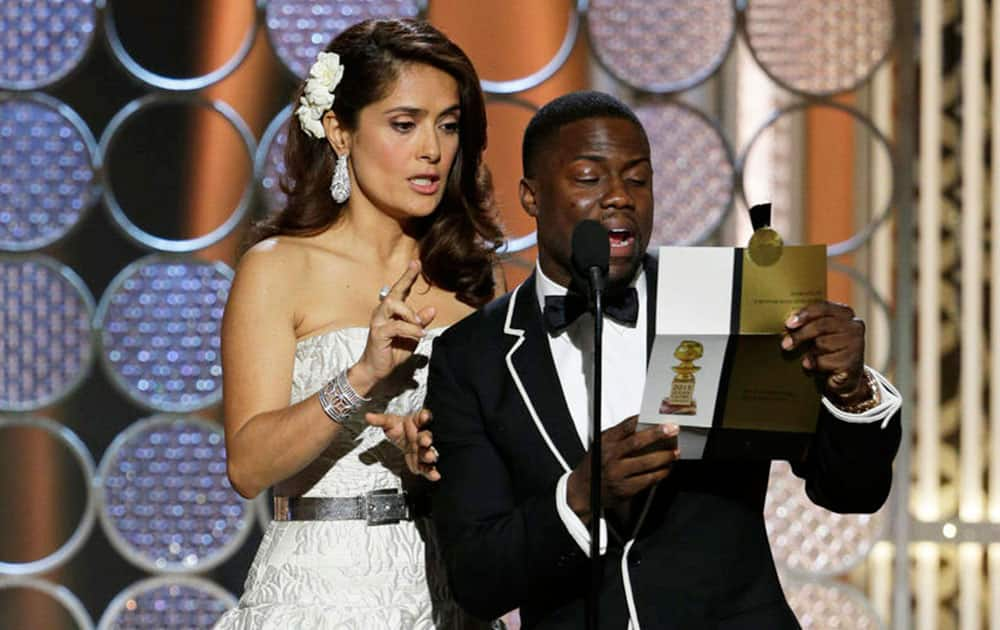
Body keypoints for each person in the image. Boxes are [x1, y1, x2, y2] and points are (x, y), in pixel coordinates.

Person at [426, 91, 903, 629]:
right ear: (531, 196)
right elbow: (477, 577)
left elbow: (851, 490)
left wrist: (849, 391)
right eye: (589, 178)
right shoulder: (472, 355)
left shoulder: (724, 300)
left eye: (637, 178)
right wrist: (579, 499)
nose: (619, 198)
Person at [214, 19, 503, 629]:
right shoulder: (279, 269)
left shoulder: (475, 281)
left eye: (448, 125)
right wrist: (363, 374)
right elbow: (248, 464)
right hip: (321, 588)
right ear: (339, 131)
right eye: (405, 124)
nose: (433, 149)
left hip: (450, 589)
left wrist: (437, 457)